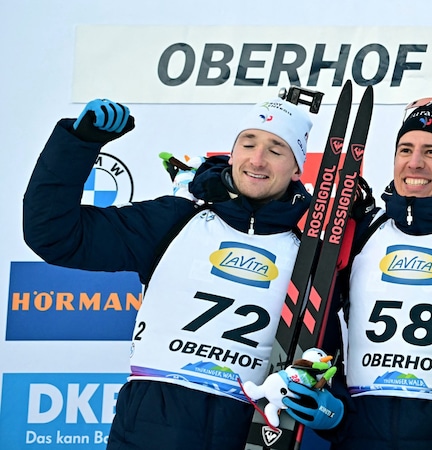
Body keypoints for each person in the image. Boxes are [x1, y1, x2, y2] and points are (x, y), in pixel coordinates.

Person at [22, 97, 342, 449]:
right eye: (248, 144)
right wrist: (79, 143)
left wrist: (330, 410)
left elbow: (322, 365)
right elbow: (53, 234)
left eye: (276, 149)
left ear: (298, 168)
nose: (257, 159)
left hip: (246, 432)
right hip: (150, 427)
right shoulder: (175, 220)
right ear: (232, 153)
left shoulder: (311, 252)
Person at [313, 99, 432, 449]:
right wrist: (331, 404)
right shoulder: (365, 230)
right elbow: (324, 326)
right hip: (361, 435)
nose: (415, 163)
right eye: (405, 149)